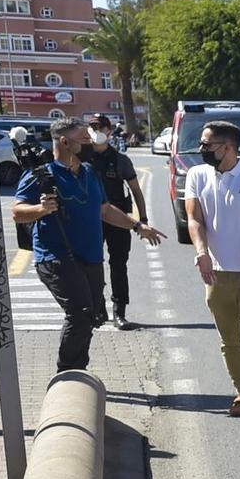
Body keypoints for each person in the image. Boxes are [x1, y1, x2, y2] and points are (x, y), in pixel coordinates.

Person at [11, 117, 162, 373]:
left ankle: (78, 370)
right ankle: (68, 372)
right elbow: (17, 211)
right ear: (64, 141)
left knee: (92, 316)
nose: (89, 142)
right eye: (83, 139)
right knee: (80, 313)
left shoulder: (90, 172)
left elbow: (104, 210)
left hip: (91, 257)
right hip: (56, 257)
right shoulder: (41, 175)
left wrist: (137, 226)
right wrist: (40, 208)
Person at [184, 119, 240, 422]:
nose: (201, 149)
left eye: (207, 144)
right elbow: (195, 219)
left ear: (228, 147)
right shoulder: (197, 175)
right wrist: (202, 254)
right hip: (216, 274)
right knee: (229, 341)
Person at [80, 111, 146, 330]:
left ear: (109, 132)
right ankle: (97, 309)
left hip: (117, 219)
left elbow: (136, 190)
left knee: (118, 265)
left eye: (101, 128)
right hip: (89, 221)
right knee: (91, 265)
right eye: (93, 127)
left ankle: (120, 312)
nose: (96, 132)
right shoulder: (80, 156)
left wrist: (142, 219)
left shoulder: (120, 160)